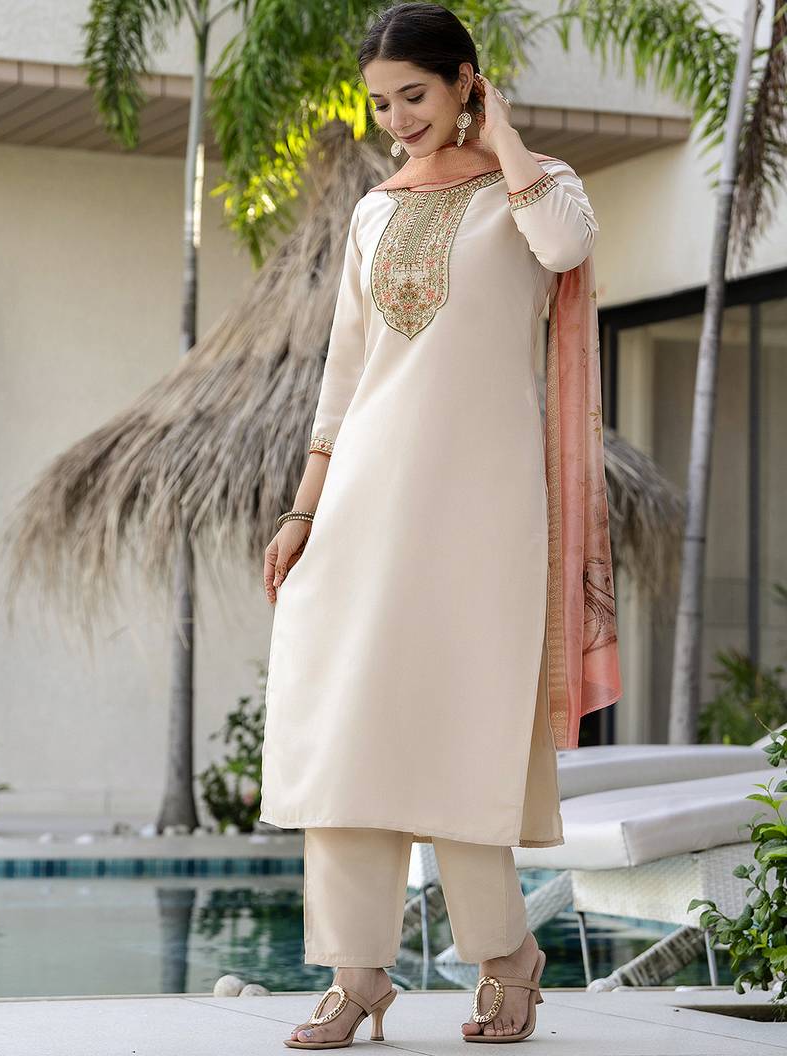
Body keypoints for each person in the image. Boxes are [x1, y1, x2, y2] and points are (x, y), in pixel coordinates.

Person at [260, 3, 622, 1047]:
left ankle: (506, 957)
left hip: (480, 510)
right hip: (361, 505)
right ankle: (356, 973)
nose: (396, 119)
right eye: (380, 104)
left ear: (466, 79)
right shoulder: (374, 213)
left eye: (413, 95)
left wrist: (502, 137)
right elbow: (343, 375)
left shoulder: (535, 188)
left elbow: (563, 246)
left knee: (463, 730)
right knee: (346, 730)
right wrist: (303, 509)